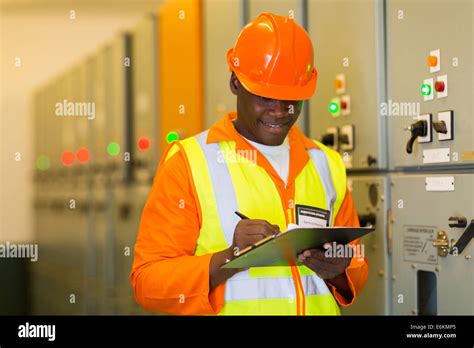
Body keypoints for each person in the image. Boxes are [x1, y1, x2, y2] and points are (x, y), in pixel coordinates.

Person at [130, 12, 368, 315]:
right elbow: (147, 281)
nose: (280, 111)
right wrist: (228, 258)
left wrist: (339, 270)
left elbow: (357, 265)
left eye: (291, 99)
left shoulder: (326, 163)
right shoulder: (189, 162)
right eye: (266, 96)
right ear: (235, 83)